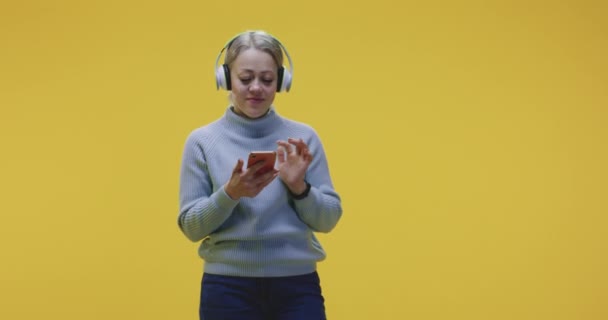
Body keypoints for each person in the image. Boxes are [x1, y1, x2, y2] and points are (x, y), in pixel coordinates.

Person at [177, 30, 343, 320]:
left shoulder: (303, 138)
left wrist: (299, 187)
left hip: (297, 286)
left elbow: (328, 219)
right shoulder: (202, 141)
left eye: (267, 80)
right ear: (226, 78)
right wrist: (230, 194)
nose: (256, 88)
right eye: (245, 78)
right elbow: (191, 227)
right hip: (227, 288)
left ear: (281, 81)